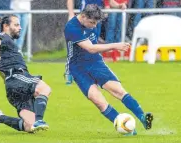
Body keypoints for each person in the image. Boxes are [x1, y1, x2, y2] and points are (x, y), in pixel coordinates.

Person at [64, 4, 153, 135]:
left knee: (118, 91)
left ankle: (142, 117)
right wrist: (115, 46)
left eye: (96, 23)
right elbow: (90, 48)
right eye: (92, 23)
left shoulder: (92, 22)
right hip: (78, 68)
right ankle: (126, 127)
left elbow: (93, 49)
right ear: (83, 16)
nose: (94, 26)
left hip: (95, 62)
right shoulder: (71, 27)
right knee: (98, 101)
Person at [0, 15, 51, 133]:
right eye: (17, 25)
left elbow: (1, 71)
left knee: (30, 127)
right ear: (6, 26)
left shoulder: (8, 46)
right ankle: (40, 120)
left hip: (12, 86)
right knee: (44, 88)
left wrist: (8, 83)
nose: (20, 28)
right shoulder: (4, 37)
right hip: (18, 78)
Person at [65, 0, 104, 85]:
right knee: (73, 49)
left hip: (94, 18)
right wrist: (71, 14)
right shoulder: (75, 23)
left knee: (92, 45)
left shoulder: (95, 24)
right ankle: (69, 73)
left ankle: (93, 73)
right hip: (84, 22)